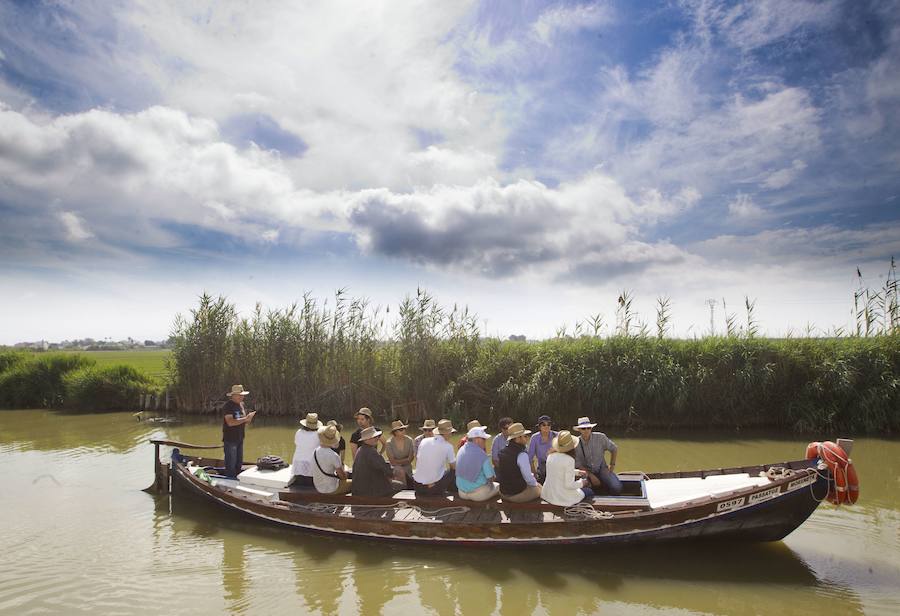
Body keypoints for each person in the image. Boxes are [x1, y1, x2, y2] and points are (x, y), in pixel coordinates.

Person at [542, 430, 594, 506]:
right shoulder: (569, 460)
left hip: (548, 495)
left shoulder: (550, 456)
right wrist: (582, 483)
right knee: (590, 491)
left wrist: (577, 472)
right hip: (561, 497)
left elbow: (559, 471)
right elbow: (569, 485)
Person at [573, 416, 622, 495]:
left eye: (588, 428)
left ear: (591, 428)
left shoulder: (601, 437)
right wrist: (591, 475)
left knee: (617, 487)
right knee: (582, 491)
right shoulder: (575, 443)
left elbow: (614, 448)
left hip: (602, 469)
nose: (586, 430)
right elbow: (578, 464)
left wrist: (612, 465)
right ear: (579, 430)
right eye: (583, 428)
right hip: (586, 472)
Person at [351, 426, 404, 497]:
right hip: (371, 490)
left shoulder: (360, 450)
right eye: (374, 437)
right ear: (366, 439)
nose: (377, 438)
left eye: (377, 436)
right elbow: (387, 470)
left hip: (359, 489)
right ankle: (390, 505)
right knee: (401, 485)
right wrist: (394, 472)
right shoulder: (372, 452)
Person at [497, 422, 542, 502]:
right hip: (515, 495)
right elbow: (528, 478)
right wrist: (537, 486)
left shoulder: (502, 451)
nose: (527, 438)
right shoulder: (521, 454)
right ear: (517, 438)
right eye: (525, 436)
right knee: (540, 489)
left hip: (503, 493)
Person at [412, 419, 457, 497]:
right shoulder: (448, 446)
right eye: (451, 433)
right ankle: (454, 493)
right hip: (432, 489)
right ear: (448, 433)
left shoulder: (424, 441)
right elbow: (454, 467)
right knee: (453, 471)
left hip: (417, 486)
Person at [455, 426, 500, 501]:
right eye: (484, 439)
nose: (485, 441)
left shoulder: (461, 449)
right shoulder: (482, 454)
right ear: (477, 440)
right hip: (478, 495)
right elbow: (491, 478)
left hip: (461, 493)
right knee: (498, 486)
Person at [222, 384, 256, 477]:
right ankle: (229, 482)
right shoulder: (228, 406)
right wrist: (245, 419)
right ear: (233, 395)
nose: (242, 397)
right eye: (240, 395)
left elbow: (241, 421)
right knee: (231, 465)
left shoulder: (241, 404)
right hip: (230, 440)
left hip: (240, 438)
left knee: (238, 464)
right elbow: (230, 422)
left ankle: (237, 480)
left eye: (243, 395)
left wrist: (248, 419)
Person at [311, 423, 351, 495]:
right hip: (331, 489)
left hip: (318, 487)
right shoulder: (334, 455)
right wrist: (346, 474)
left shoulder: (314, 451)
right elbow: (342, 477)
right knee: (354, 483)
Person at [292, 412, 323, 487]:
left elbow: (296, 443)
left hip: (297, 465)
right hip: (311, 466)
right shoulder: (318, 435)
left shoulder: (298, 432)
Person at [527, 415, 557, 483]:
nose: (546, 426)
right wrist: (534, 474)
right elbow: (530, 458)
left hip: (556, 467)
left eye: (548, 424)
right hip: (542, 468)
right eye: (544, 424)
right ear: (539, 427)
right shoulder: (534, 438)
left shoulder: (557, 435)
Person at [385, 419, 415, 486]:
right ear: (395, 432)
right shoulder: (389, 443)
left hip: (407, 467)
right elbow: (392, 461)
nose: (403, 431)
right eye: (401, 430)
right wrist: (405, 460)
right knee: (399, 470)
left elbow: (410, 459)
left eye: (404, 429)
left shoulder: (410, 440)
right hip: (395, 467)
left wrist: (399, 461)